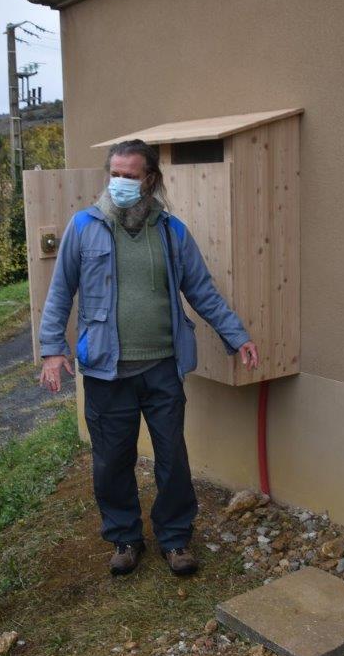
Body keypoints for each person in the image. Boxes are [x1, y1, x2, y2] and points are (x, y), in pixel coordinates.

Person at [39, 139, 259, 577]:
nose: (120, 182)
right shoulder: (83, 227)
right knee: (111, 459)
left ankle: (175, 538)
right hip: (106, 370)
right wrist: (51, 350)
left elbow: (202, 290)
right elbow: (60, 292)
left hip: (162, 366)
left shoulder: (171, 231)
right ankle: (124, 536)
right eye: (115, 174)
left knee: (172, 456)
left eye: (130, 176)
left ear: (150, 179)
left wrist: (236, 335)